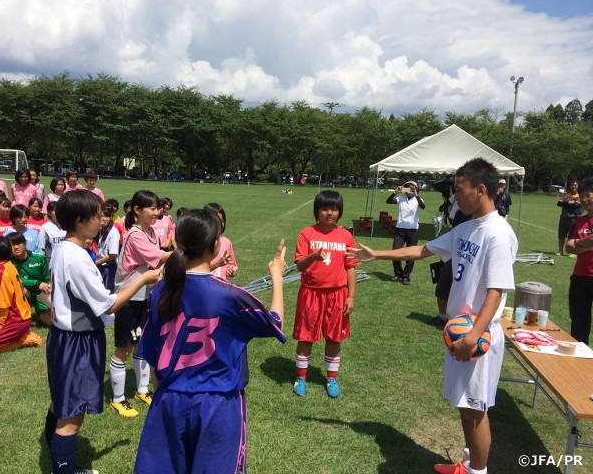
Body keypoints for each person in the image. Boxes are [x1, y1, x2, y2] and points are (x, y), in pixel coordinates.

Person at [349, 158, 517, 474]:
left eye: (459, 190)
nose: (455, 197)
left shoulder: (498, 234)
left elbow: (496, 293)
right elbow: (423, 250)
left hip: (476, 336)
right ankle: (468, 464)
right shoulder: (466, 227)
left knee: (476, 408)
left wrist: (472, 337)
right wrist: (377, 254)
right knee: (465, 406)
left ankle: (477, 472)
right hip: (460, 332)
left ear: (480, 190)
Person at [133, 209, 287, 474]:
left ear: (177, 244)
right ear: (215, 245)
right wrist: (276, 276)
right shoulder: (229, 296)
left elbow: (153, 355)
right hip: (218, 405)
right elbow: (275, 322)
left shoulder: (161, 291)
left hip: (169, 400)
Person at [44, 190, 161, 474]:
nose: (103, 220)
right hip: (77, 342)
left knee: (60, 403)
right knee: (72, 416)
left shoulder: (63, 248)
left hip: (62, 338)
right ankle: (65, 470)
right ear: (81, 220)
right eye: (97, 215)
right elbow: (108, 306)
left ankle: (57, 458)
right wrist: (143, 278)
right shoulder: (77, 258)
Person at [109, 190, 170, 417]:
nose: (157, 212)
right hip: (128, 298)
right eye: (152, 208)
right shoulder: (135, 235)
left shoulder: (152, 232)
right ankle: (117, 398)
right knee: (123, 349)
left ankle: (141, 390)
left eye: (158, 208)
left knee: (141, 345)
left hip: (144, 296)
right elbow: (160, 257)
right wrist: (187, 252)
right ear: (137, 210)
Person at [292, 190, 358, 398]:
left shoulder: (346, 236)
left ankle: (331, 379)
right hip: (311, 293)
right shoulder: (306, 234)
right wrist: (313, 256)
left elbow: (350, 267)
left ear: (339, 212)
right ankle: (301, 377)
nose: (329, 213)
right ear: (317, 211)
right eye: (325, 209)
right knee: (305, 337)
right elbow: (299, 267)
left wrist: (351, 296)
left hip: (337, 294)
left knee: (334, 337)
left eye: (334, 209)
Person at [0, 236, 42, 353]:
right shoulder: (8, 264)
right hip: (20, 318)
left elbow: (3, 301)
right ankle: (21, 334)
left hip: (16, 321)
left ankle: (24, 339)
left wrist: (0, 324)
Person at [565, 179, 593, 344]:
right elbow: (569, 247)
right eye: (582, 197)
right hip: (580, 278)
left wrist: (579, 244)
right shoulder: (579, 220)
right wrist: (588, 244)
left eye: (588, 195)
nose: (584, 200)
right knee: (578, 325)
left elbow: (575, 244)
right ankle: (579, 364)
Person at [6, 231, 52, 327]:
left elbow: (49, 279)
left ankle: (42, 312)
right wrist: (36, 283)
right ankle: (20, 313)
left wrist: (49, 296)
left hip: (42, 293)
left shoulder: (40, 258)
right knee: (19, 288)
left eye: (18, 243)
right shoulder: (8, 262)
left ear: (25, 244)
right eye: (12, 245)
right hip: (25, 291)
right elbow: (15, 279)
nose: (16, 247)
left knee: (51, 322)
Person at [386, 180, 425, 285]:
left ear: (416, 189)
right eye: (407, 187)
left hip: (413, 230)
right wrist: (395, 192)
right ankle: (398, 273)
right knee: (395, 252)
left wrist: (416, 194)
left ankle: (406, 276)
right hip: (400, 229)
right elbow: (388, 201)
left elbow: (423, 206)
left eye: (412, 188)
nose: (409, 190)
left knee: (411, 254)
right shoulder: (401, 198)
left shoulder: (418, 199)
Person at [205, 202, 238, 279]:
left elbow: (232, 264)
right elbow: (197, 271)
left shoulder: (227, 242)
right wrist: (217, 264)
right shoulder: (200, 243)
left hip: (221, 287)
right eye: (215, 220)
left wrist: (230, 270)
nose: (219, 224)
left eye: (221, 220)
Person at [94, 205, 120, 293]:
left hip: (109, 268)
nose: (104, 219)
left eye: (107, 216)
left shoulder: (113, 233)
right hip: (101, 266)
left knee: (107, 293)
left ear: (111, 217)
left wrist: (98, 262)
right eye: (101, 216)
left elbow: (113, 255)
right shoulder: (101, 231)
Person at [558, 180, 583, 257]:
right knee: (561, 235)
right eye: (572, 185)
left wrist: (566, 204)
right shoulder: (566, 195)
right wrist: (568, 203)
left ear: (578, 186)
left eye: (575, 185)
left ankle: (573, 251)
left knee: (572, 236)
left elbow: (576, 206)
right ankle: (560, 250)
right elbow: (559, 203)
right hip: (564, 217)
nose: (573, 187)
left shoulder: (580, 196)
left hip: (574, 218)